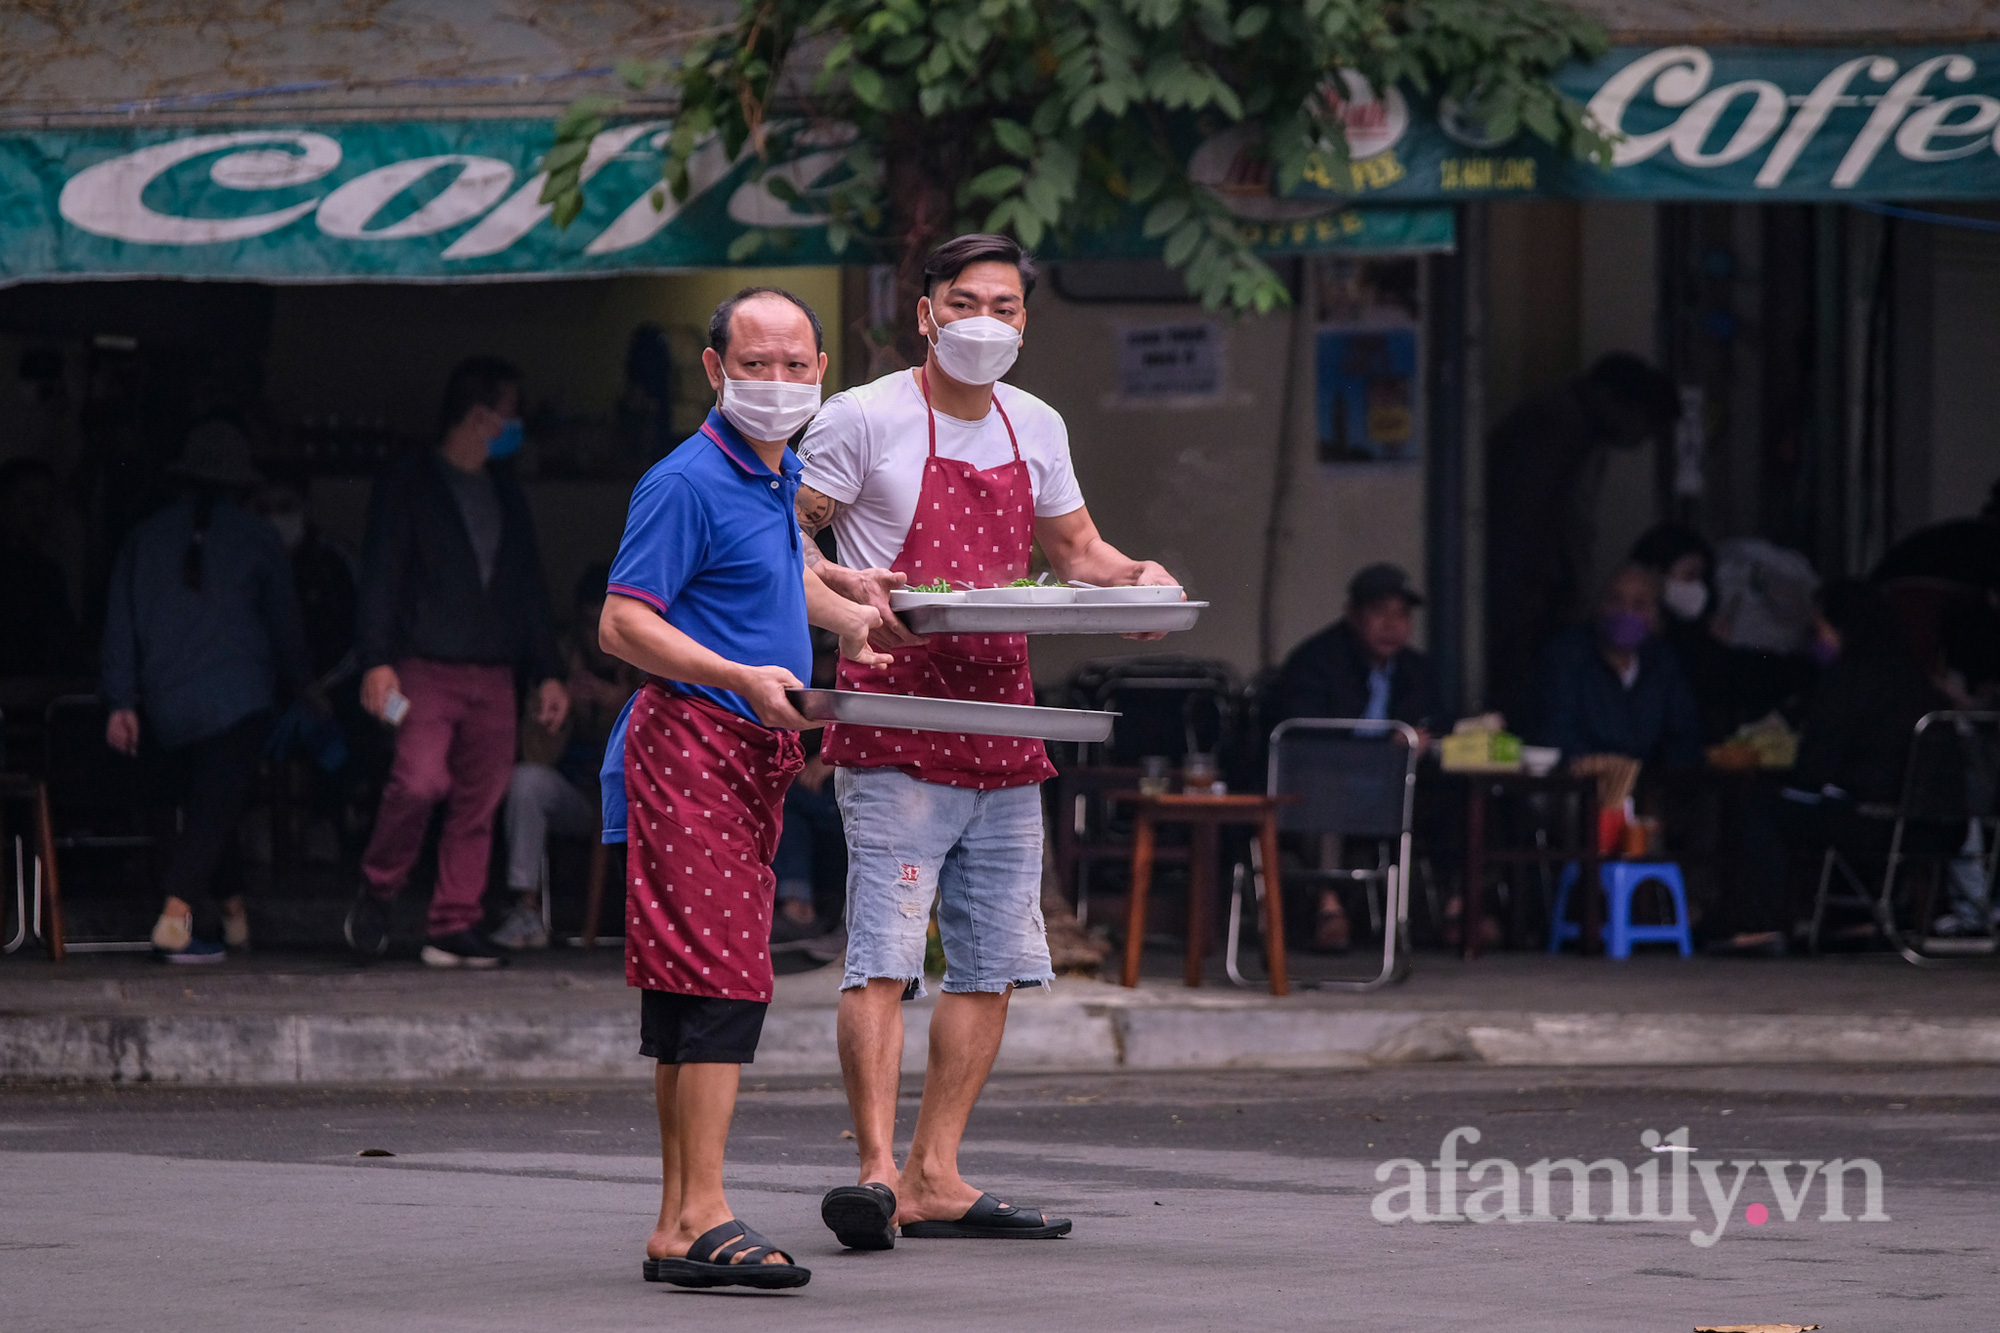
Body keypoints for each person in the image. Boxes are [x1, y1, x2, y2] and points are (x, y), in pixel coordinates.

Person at [796, 233, 1177, 1248]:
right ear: (922, 312)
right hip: (890, 717)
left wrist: (1138, 581)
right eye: (962, 301)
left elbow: (1075, 550)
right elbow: (777, 530)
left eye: (1002, 306)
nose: (982, 321)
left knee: (990, 961)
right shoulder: (861, 416)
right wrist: (837, 597)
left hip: (1004, 720)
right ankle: (874, 1170)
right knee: (882, 955)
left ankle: (934, 1170)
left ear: (1024, 322)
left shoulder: (1036, 424)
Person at [596, 287, 883, 1290]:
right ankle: (703, 1211)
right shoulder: (683, 480)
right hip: (693, 745)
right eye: (754, 365)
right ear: (715, 371)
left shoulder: (777, 467)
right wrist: (739, 675)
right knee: (720, 978)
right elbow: (623, 622)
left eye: (795, 365)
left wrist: (840, 611)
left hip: (747, 751)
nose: (776, 383)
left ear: (819, 371)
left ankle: (678, 1220)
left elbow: (764, 576)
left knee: (689, 984)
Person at [343, 356, 570, 969]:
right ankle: (380, 885)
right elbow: (381, 577)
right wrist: (375, 661)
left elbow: (528, 590)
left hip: (494, 672)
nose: (516, 423)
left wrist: (548, 671)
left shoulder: (506, 494)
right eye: (510, 410)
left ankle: (452, 923)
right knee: (418, 781)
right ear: (480, 415)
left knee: (481, 798)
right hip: (422, 666)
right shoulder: (408, 482)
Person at [99, 422, 312, 962]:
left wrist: (120, 701)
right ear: (242, 486)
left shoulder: (143, 538)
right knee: (215, 808)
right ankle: (174, 920)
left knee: (210, 805)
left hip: (167, 700)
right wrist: (304, 686)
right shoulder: (260, 539)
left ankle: (235, 917)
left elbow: (118, 628)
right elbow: (286, 628)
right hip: (239, 698)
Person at [1484, 354, 1680, 729]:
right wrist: (1553, 584)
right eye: (1642, 422)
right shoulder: (1551, 430)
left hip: (1539, 588)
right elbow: (1530, 522)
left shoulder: (1578, 433)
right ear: (1612, 401)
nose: (1638, 436)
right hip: (1524, 590)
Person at [1273, 561, 1440, 951]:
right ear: (1353, 615)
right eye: (1380, 612)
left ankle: (1458, 907)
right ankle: (1328, 907)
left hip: (1395, 786)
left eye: (1402, 614)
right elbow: (1304, 736)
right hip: (1328, 782)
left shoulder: (1415, 669)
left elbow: (1436, 719)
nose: (1392, 625)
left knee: (1460, 789)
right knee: (1322, 787)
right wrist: (1384, 746)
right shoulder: (1317, 661)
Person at [494, 564, 641, 950]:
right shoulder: (558, 663)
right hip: (577, 797)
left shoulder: (651, 655)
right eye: (589, 623)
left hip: (639, 801)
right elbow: (533, 754)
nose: (597, 636)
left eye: (604, 620)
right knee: (526, 781)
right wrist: (562, 707)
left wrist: (620, 706)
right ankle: (526, 909)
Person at [1627, 522, 1813, 743]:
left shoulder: (1697, 636)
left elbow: (1739, 668)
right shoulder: (1648, 643)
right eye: (1689, 576)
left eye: (1701, 578)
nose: (1697, 589)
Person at [1529, 563, 1702, 768]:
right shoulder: (1565, 657)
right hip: (1580, 788)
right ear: (1599, 605)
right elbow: (1555, 732)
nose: (1626, 612)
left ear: (1655, 614)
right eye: (1615, 600)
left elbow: (1684, 734)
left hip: (1647, 790)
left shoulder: (1662, 663)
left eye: (1639, 605)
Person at [771, 631, 845, 946]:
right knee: (781, 801)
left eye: (832, 654)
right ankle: (797, 905)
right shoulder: (790, 680)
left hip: (855, 786)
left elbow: (885, 726)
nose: (826, 663)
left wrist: (831, 761)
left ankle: (806, 908)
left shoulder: (862, 678)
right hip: (807, 791)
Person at [0, 457, 82, 676]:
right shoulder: (42, 570)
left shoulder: (46, 571)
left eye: (47, 504)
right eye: (29, 502)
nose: (41, 514)